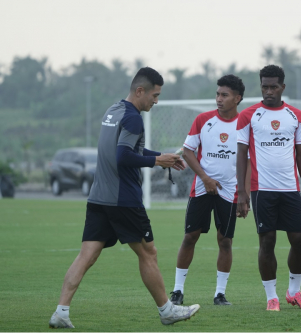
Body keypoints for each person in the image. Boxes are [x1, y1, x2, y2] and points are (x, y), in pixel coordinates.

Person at [48, 67, 200, 329]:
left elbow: (128, 148)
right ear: (139, 91)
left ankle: (61, 311)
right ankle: (167, 310)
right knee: (148, 253)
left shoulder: (113, 111)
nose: (156, 101)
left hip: (99, 197)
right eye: (154, 95)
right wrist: (155, 161)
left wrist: (161, 157)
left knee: (86, 255)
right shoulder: (133, 119)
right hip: (123, 199)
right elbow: (123, 157)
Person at [236, 64, 301, 312]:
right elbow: (241, 155)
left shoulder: (296, 115)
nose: (268, 91)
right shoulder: (248, 116)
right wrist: (242, 192)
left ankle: (294, 292)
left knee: (299, 240)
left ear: (282, 87)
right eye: (264, 87)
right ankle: (272, 297)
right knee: (267, 241)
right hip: (262, 190)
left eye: (273, 86)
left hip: (291, 190)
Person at [169, 74, 248, 306]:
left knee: (225, 241)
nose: (219, 99)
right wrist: (205, 178)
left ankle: (220, 294)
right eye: (217, 94)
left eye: (224, 95)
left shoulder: (244, 124)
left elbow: (249, 160)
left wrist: (246, 195)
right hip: (202, 189)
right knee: (190, 237)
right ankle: (177, 291)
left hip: (230, 191)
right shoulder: (203, 120)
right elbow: (187, 151)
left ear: (237, 98)